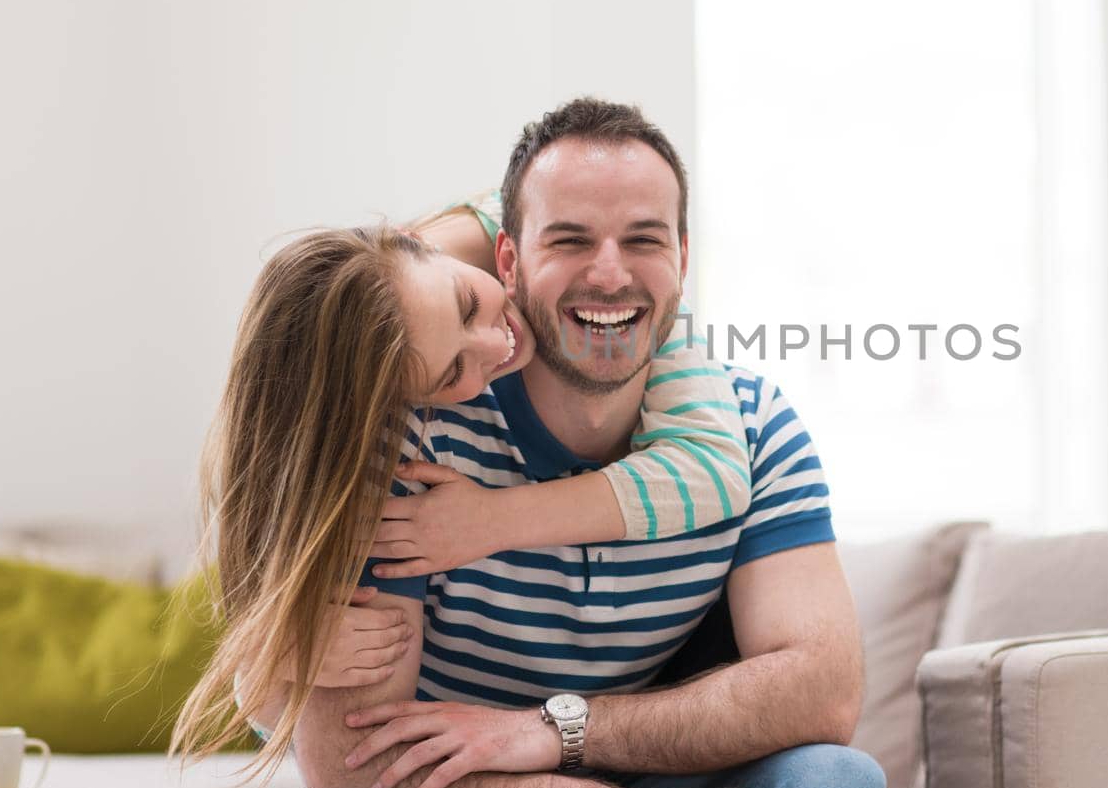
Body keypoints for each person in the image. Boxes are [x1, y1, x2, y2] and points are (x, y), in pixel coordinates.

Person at [269, 97, 883, 788]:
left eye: (644, 240)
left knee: (837, 781)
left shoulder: (755, 430)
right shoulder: (409, 430)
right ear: (507, 262)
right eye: (570, 240)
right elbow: (345, 755)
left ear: (683, 262)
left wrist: (558, 729)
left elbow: (820, 691)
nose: (610, 273)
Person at [172, 219, 754, 751]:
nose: (496, 343)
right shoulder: (398, 450)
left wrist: (489, 521)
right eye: (453, 373)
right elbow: (318, 743)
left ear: (430, 245)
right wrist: (271, 664)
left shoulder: (538, 228)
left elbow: (717, 474)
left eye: (469, 303)